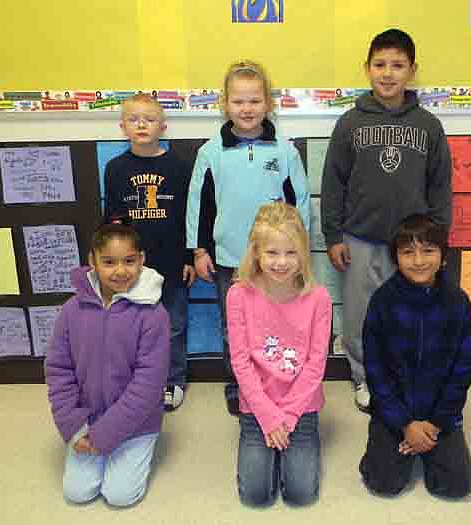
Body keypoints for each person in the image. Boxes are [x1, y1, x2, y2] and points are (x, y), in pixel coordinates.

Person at [321, 28, 452, 411]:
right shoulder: (350, 123)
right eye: (380, 64)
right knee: (361, 315)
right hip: (360, 238)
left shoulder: (428, 126)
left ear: (413, 70)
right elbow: (333, 182)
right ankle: (364, 378)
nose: (388, 73)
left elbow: (440, 185)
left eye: (398, 65)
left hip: (413, 245)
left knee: (411, 314)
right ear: (367, 69)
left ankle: (405, 376)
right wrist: (333, 235)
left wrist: (437, 242)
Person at [187, 60, 310, 415]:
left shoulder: (284, 150)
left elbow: (300, 202)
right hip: (228, 257)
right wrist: (199, 250)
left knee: (278, 321)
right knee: (235, 326)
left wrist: (298, 251)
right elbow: (200, 205)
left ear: (268, 104)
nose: (246, 108)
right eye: (238, 101)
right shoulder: (210, 152)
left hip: (277, 259)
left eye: (255, 101)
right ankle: (238, 384)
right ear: (224, 103)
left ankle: (278, 378)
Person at [45, 223, 170, 507]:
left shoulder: (154, 315)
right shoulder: (71, 311)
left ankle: (136, 446)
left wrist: (105, 435)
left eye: (129, 261)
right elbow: (58, 372)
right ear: (92, 262)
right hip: (86, 420)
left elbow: (148, 386)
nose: (120, 270)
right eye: (109, 262)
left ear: (142, 259)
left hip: (137, 424)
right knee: (77, 493)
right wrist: (75, 428)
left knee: (120, 496)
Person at [359, 214, 471, 499]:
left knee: (457, 486)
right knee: (383, 483)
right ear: (396, 257)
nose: (419, 260)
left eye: (428, 250)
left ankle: (425, 446)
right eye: (408, 252)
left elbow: (462, 370)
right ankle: (399, 446)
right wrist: (405, 424)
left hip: (440, 416)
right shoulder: (382, 302)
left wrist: (434, 426)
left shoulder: (457, 302)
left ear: (443, 255)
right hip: (394, 414)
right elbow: (375, 371)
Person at [226, 202, 331, 506]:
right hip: (257, 406)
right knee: (255, 496)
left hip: (302, 406)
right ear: (256, 253)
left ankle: (292, 446)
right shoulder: (238, 294)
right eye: (272, 252)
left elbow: (315, 365)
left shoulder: (319, 298)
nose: (281, 262)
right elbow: (241, 362)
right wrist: (269, 417)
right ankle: (270, 446)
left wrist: (289, 416)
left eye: (291, 252)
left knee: (301, 495)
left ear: (303, 254)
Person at [104, 93, 194, 411]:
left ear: (163, 127)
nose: (141, 124)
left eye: (150, 119)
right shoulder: (115, 169)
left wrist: (188, 258)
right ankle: (140, 380)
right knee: (132, 325)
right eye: (133, 119)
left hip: (171, 262)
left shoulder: (179, 167)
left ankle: (173, 380)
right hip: (132, 266)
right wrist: (114, 263)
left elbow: (190, 217)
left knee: (174, 325)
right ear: (122, 127)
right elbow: (113, 220)